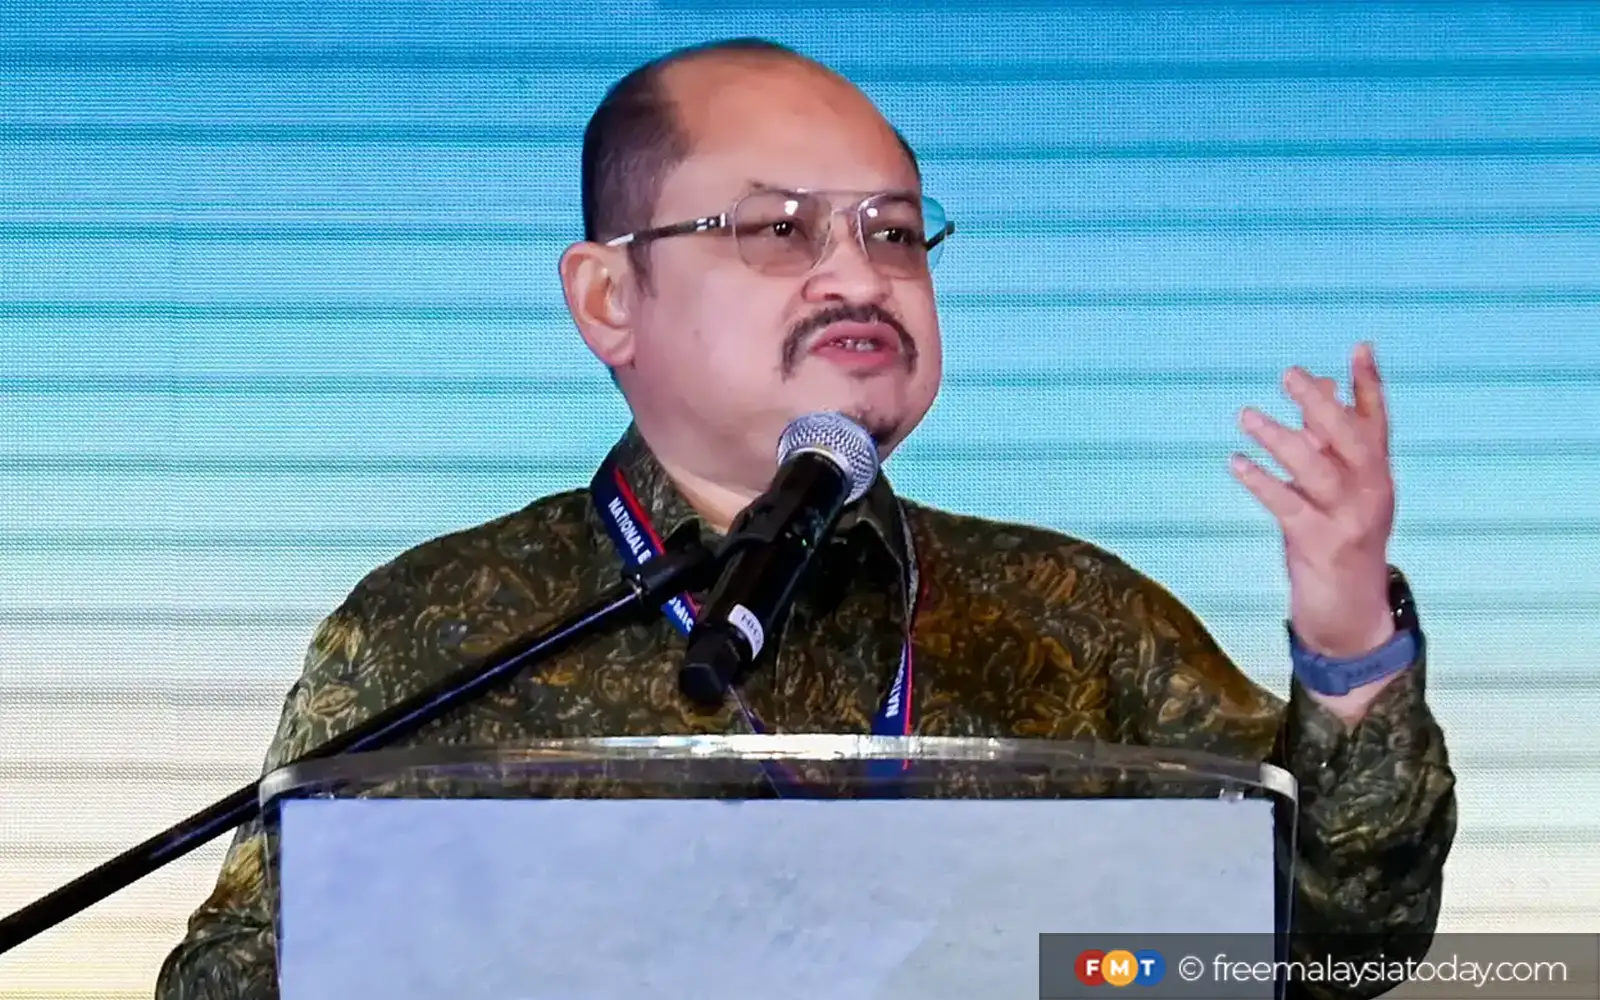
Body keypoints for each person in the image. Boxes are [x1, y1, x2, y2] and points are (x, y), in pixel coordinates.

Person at [157, 37, 1456, 1000]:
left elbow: (1335, 941)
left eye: (894, 233)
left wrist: (1348, 636)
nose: (856, 275)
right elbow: (243, 974)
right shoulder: (441, 630)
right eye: (778, 229)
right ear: (610, 298)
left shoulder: (1077, 617)